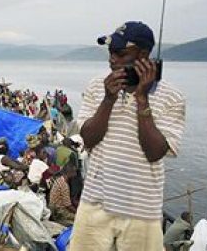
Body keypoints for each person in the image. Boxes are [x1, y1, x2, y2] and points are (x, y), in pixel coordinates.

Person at [69, 22, 186, 251]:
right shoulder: (97, 87)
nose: (112, 59)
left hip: (142, 210)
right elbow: (89, 139)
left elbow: (154, 152)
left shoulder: (172, 97)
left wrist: (142, 98)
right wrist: (108, 99)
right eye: (111, 52)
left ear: (144, 55)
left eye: (120, 53)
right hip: (95, 202)